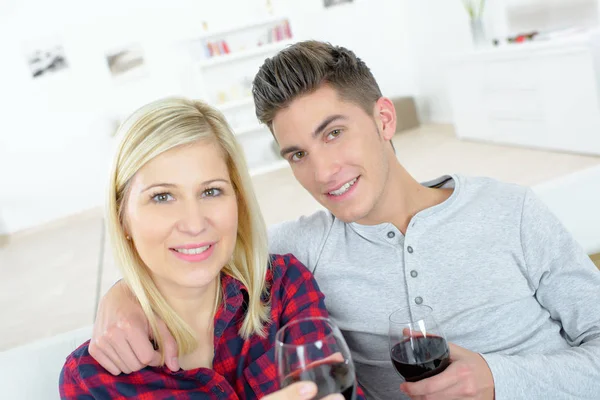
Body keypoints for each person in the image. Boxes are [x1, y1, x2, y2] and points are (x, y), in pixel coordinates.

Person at [88, 42, 600, 399]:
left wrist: (499, 380)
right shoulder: (301, 253)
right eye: (297, 154)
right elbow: (197, 252)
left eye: (333, 133)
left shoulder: (510, 211)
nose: (323, 172)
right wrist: (124, 296)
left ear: (383, 119)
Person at [59, 97, 364, 400]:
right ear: (122, 217)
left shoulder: (284, 288)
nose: (194, 224)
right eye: (162, 197)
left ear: (238, 200)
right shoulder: (90, 380)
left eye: (211, 191)